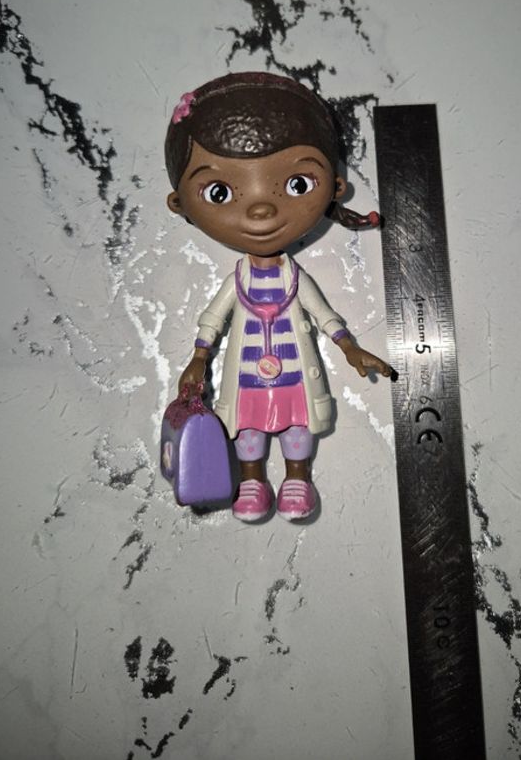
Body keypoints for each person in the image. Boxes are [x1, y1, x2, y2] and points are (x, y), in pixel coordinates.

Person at [165, 71, 391, 522]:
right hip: (248, 378)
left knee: (297, 431)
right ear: (180, 204)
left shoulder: (294, 278)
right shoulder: (237, 281)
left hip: (292, 378)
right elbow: (212, 320)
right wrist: (198, 358)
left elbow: (324, 315)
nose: (260, 209)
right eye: (219, 192)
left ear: (335, 187)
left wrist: (351, 347)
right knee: (248, 433)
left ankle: (296, 480)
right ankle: (252, 482)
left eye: (297, 184)